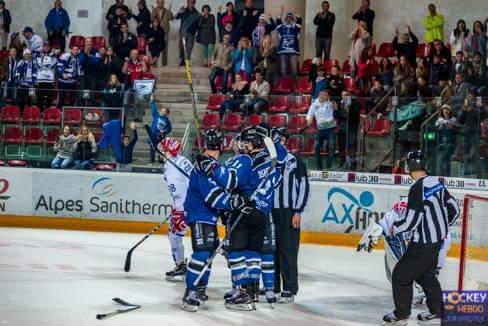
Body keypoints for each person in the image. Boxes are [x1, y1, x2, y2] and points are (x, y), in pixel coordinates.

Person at [201, 125, 281, 310]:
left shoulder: (246, 160)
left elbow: (232, 181)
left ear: (254, 143)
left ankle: (241, 293)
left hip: (244, 210)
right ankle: (252, 294)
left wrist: (215, 172)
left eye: (246, 142)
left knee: (236, 252)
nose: (243, 145)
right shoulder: (271, 161)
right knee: (253, 253)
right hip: (261, 213)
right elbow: (276, 181)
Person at [382, 150, 460, 324]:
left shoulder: (417, 188)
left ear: (410, 167)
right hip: (436, 242)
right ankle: (437, 310)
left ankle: (401, 314)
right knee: (426, 276)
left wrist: (394, 227)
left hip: (422, 244)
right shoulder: (436, 183)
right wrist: (442, 226)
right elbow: (454, 208)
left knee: (400, 276)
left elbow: (411, 221)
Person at [181, 129, 250, 312]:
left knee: (209, 253)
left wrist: (227, 206)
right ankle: (190, 293)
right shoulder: (205, 166)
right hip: (200, 215)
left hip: (207, 215)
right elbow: (212, 196)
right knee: (202, 253)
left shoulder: (210, 164)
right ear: (222, 145)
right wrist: (232, 203)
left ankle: (200, 289)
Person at [272, 128, 309, 304]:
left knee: (288, 251)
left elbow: (303, 186)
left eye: (278, 140)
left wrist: (298, 210)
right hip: (272, 212)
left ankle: (289, 287)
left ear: (285, 140)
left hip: (288, 212)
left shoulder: (294, 161)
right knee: (272, 251)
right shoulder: (269, 161)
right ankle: (274, 287)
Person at [157, 137, 193, 281]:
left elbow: (193, 181)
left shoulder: (181, 162)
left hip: (186, 208)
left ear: (170, 151)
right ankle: (180, 265)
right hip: (180, 207)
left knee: (175, 236)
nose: (161, 151)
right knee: (174, 236)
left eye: (164, 149)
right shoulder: (168, 165)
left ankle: (181, 266)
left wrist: (187, 206)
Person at [306, 89, 337, 170]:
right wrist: (309, 119)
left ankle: (329, 166)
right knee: (316, 147)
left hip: (330, 128)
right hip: (320, 129)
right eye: (321, 94)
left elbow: (337, 112)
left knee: (331, 146)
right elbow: (309, 114)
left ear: (327, 96)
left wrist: (335, 107)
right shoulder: (314, 105)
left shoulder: (331, 103)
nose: (322, 96)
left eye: (324, 95)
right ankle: (319, 167)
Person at [335, 91, 360, 169]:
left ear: (350, 96)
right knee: (342, 145)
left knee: (351, 144)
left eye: (346, 95)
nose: (345, 96)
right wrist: (335, 110)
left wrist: (349, 111)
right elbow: (337, 116)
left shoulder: (355, 103)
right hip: (342, 126)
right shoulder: (339, 103)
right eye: (343, 95)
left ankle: (353, 164)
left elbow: (356, 116)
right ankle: (342, 163)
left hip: (351, 126)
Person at [459, 95, 483, 175]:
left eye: (471, 98)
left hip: (475, 133)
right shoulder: (465, 110)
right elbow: (461, 121)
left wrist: (471, 110)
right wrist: (464, 110)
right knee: (466, 153)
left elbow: (479, 119)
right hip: (466, 134)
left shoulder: (477, 109)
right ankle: (465, 170)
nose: (469, 100)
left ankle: (478, 170)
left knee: (476, 152)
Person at [276, 10, 302, 79]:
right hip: (283, 51)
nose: (288, 19)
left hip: (293, 51)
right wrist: (281, 13)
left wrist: (295, 11)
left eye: (290, 18)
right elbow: (278, 21)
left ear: (292, 19)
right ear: (285, 19)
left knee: (294, 69)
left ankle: (295, 85)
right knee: (283, 68)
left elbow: (299, 20)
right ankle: (284, 84)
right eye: (287, 18)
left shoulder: (296, 27)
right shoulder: (282, 27)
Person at [435, 105, 458, 176]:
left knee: (445, 158)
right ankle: (441, 175)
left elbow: (457, 131)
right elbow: (436, 132)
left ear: (450, 111)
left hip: (450, 144)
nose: (446, 110)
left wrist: (452, 127)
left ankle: (447, 175)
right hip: (441, 144)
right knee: (441, 159)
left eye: (447, 109)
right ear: (442, 111)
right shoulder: (439, 121)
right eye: (444, 109)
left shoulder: (453, 120)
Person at [176, 0, 200, 66]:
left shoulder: (197, 13)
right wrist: (179, 12)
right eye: (190, 2)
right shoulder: (183, 10)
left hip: (192, 33)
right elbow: (176, 17)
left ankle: (186, 62)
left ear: (194, 3)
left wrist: (198, 34)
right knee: (181, 47)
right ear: (188, 2)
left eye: (192, 2)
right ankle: (182, 60)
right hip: (183, 32)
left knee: (189, 48)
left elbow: (198, 25)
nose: (191, 3)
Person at [149, 94, 172, 163]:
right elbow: (153, 108)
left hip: (160, 137)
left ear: (167, 113)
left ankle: (160, 159)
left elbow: (169, 129)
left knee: (160, 148)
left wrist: (164, 131)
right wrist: (152, 100)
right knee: (152, 148)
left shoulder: (167, 121)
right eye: (161, 111)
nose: (162, 112)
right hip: (153, 135)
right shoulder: (156, 116)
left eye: (164, 111)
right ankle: (152, 159)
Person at [151, 0, 174, 66]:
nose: (160, 4)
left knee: (165, 49)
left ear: (163, 3)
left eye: (162, 2)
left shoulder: (166, 11)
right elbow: (151, 19)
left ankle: (164, 64)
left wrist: (169, 10)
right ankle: (154, 64)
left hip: (165, 32)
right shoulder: (154, 10)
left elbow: (171, 18)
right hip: (156, 32)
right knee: (154, 48)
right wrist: (153, 12)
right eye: (159, 2)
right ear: (157, 3)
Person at [35, 42, 58, 109]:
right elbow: (38, 66)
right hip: (40, 80)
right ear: (43, 47)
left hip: (49, 81)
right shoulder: (38, 55)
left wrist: (52, 56)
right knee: (39, 98)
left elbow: (54, 65)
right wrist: (42, 60)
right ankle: (40, 112)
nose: (46, 48)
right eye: (45, 46)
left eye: (48, 46)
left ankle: (47, 113)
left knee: (49, 98)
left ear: (50, 47)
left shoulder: (53, 56)